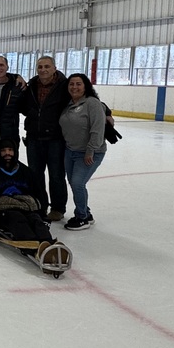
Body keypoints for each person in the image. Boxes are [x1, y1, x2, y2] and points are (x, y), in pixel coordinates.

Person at [0, 138, 57, 261]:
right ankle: (32, 246)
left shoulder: (26, 172)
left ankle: (49, 245)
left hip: (25, 206)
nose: (7, 153)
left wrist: (43, 216)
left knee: (35, 219)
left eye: (10, 150)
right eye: (3, 150)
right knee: (17, 218)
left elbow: (40, 194)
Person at [18, 56, 70, 221]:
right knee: (35, 175)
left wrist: (105, 111)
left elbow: (85, 98)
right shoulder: (32, 85)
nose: (43, 70)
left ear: (54, 68)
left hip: (55, 138)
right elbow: (23, 105)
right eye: (40, 67)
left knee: (56, 175)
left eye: (47, 66)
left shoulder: (64, 85)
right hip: (34, 137)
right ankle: (40, 205)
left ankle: (57, 208)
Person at [59, 73, 108, 231]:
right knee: (75, 184)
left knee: (78, 183)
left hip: (89, 152)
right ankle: (86, 212)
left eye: (78, 84)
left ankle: (82, 217)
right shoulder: (67, 104)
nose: (74, 87)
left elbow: (97, 129)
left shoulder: (92, 103)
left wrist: (90, 151)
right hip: (70, 150)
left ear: (85, 86)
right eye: (71, 84)